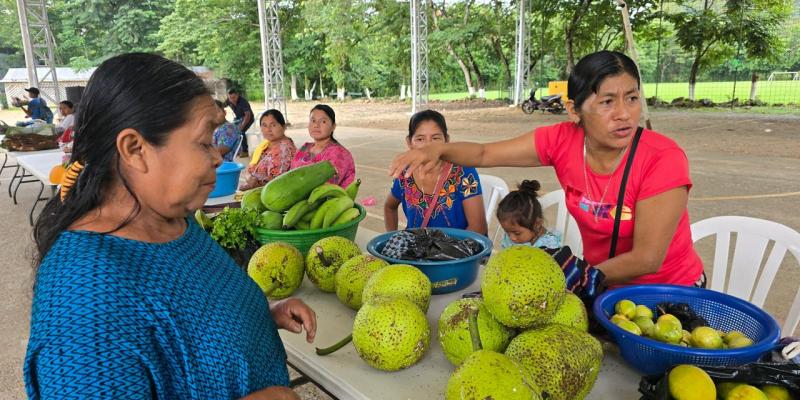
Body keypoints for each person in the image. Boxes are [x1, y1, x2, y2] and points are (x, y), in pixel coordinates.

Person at [26, 53, 314, 400]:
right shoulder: (84, 296)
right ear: (135, 149)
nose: (217, 157)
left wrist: (260, 316)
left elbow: (196, 315)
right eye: (204, 142)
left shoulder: (175, 223)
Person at [390, 50, 703, 290]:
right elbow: (484, 153)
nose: (624, 114)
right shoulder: (562, 140)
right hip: (598, 284)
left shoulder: (662, 158)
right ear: (574, 110)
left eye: (632, 98)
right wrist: (438, 150)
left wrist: (572, 274)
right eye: (607, 102)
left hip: (667, 293)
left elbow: (648, 258)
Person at [384, 110, 487, 235]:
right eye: (420, 139)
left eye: (435, 138)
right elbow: (389, 207)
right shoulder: (405, 173)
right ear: (409, 142)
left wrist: (443, 247)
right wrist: (393, 237)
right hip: (416, 246)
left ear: (447, 141)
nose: (428, 146)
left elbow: (478, 227)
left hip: (458, 246)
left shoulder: (463, 172)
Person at [291, 104, 355, 188]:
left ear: (333, 126)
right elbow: (290, 174)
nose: (316, 125)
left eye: (323, 121)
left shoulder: (339, 154)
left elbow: (324, 188)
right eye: (313, 120)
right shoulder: (305, 147)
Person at [239, 109, 296, 191]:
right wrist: (249, 178)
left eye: (273, 125)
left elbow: (277, 183)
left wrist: (254, 184)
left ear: (283, 127)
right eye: (264, 125)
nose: (268, 129)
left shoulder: (284, 150)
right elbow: (251, 169)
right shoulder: (267, 145)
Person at [497, 179, 561, 249]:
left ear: (537, 224)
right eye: (507, 232)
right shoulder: (511, 234)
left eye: (517, 233)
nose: (512, 238)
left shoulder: (548, 246)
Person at [226, 88, 254, 157]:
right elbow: (220, 106)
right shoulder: (228, 100)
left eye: (234, 97)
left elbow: (248, 115)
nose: (232, 100)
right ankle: (236, 150)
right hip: (238, 118)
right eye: (230, 98)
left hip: (248, 118)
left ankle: (245, 151)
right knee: (230, 129)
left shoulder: (243, 102)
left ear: (237, 95)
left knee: (241, 131)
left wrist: (242, 126)